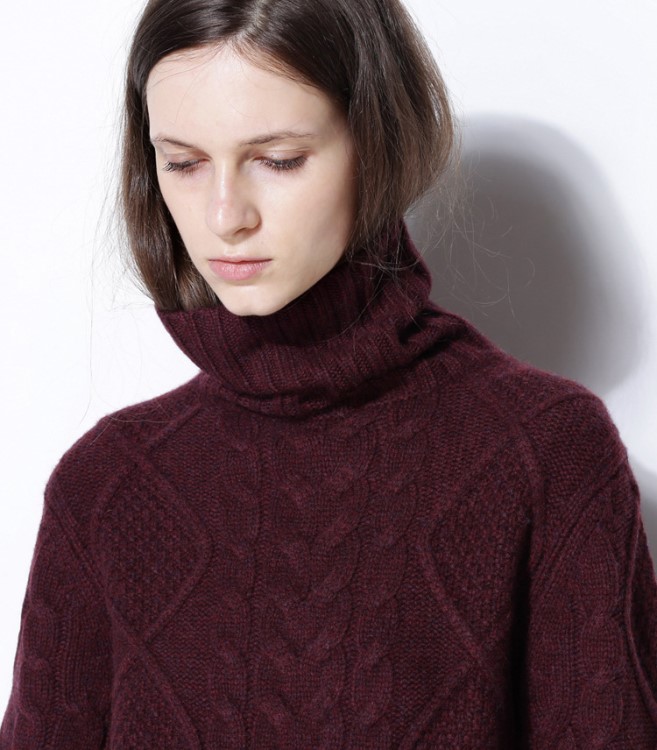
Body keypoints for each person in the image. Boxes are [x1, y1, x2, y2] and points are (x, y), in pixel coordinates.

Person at [2, 0, 657, 746]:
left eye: (278, 159)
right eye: (182, 163)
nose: (224, 215)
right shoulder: (106, 486)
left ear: (380, 145)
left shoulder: (544, 453)